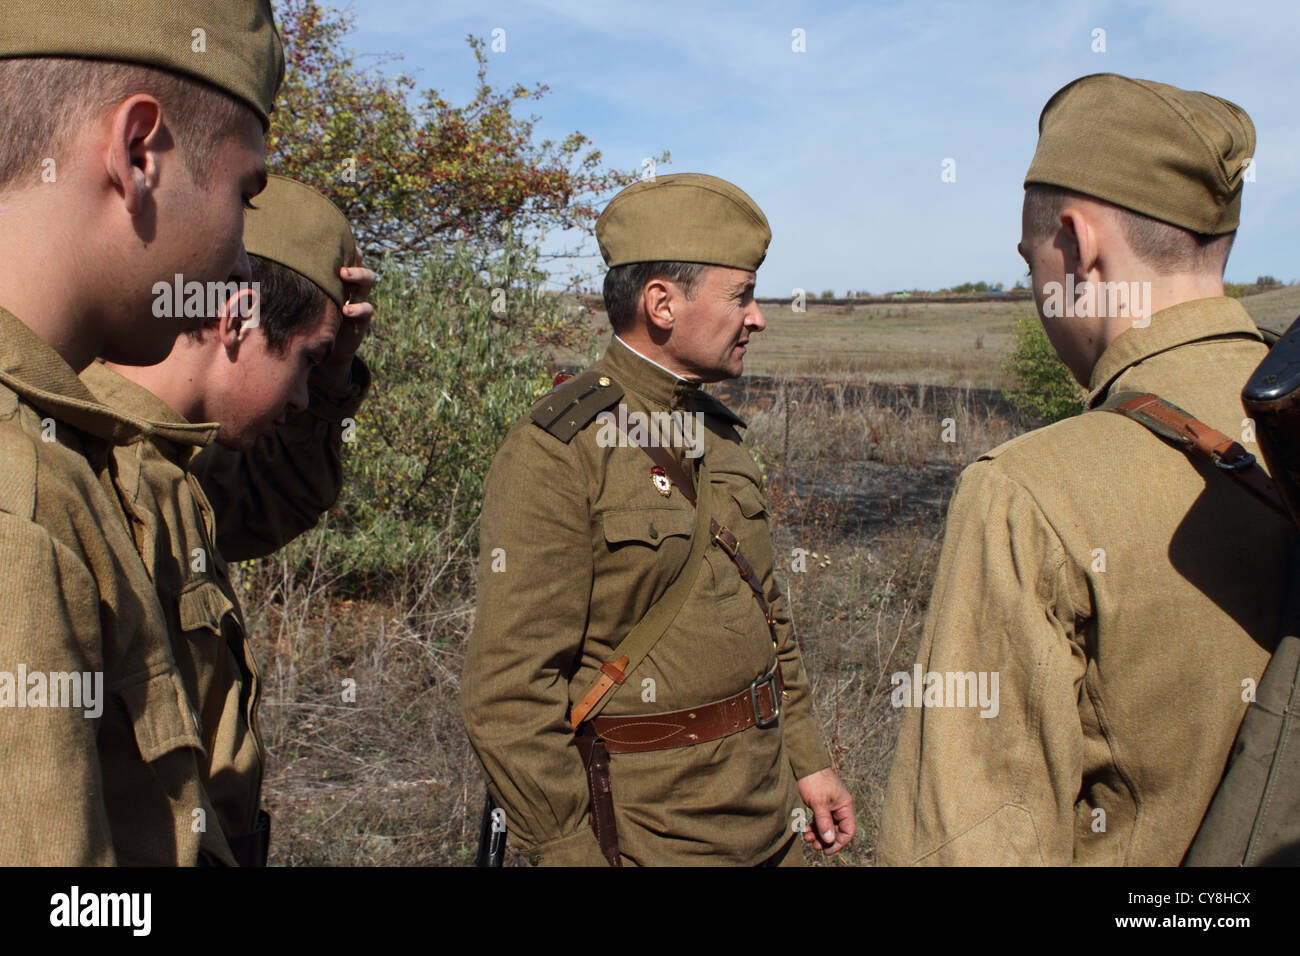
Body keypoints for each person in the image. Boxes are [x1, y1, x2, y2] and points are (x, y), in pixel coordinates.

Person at [879, 73, 1296, 866]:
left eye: (1031, 259)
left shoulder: (1028, 492)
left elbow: (969, 846)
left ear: (1076, 244)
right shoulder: (1288, 411)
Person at [463, 172, 855, 866]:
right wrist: (566, 854)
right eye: (741, 295)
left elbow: (772, 622)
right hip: (652, 838)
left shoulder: (720, 433)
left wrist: (811, 761)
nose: (758, 317)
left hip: (768, 821)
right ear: (662, 304)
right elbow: (509, 696)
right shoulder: (557, 451)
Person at [0, 0, 283, 864]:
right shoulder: (27, 501)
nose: (241, 260)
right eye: (245, 190)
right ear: (139, 154)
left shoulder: (64, 451)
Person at [79, 175, 373, 865]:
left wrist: (334, 377)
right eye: (306, 363)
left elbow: (274, 502)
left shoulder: (172, 469)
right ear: (237, 316)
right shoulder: (80, 465)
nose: (304, 396)